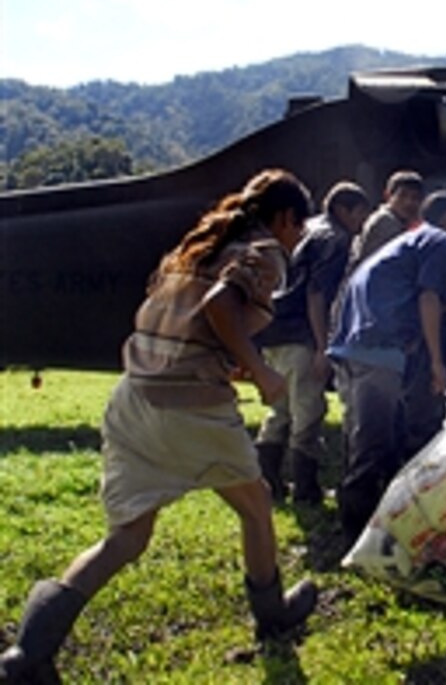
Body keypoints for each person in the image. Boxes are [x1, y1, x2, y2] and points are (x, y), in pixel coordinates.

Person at [0, 170, 319, 681]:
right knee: (257, 507)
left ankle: (28, 653)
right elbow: (220, 305)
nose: (297, 239)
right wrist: (259, 371)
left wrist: (225, 353)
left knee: (125, 538)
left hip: (134, 397)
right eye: (298, 228)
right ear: (284, 218)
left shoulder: (192, 251)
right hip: (190, 407)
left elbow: (196, 319)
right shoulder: (265, 251)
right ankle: (273, 618)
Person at [328, 191, 446, 545]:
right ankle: (355, 538)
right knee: (373, 445)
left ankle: (383, 527)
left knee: (379, 439)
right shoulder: (439, 240)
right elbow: (428, 297)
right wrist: (438, 361)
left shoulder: (406, 241)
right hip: (379, 346)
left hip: (356, 342)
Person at [255, 181, 376, 504]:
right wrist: (322, 346)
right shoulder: (337, 240)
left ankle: (270, 483)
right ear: (343, 210)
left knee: (279, 410)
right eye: (360, 213)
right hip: (301, 335)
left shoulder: (308, 230)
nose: (362, 223)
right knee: (308, 412)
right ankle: (305, 490)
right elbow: (317, 294)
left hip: (273, 331)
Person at [346, 170, 425, 273]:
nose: (408, 202)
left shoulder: (402, 221)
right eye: (402, 196)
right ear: (388, 196)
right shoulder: (385, 222)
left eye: (415, 198)